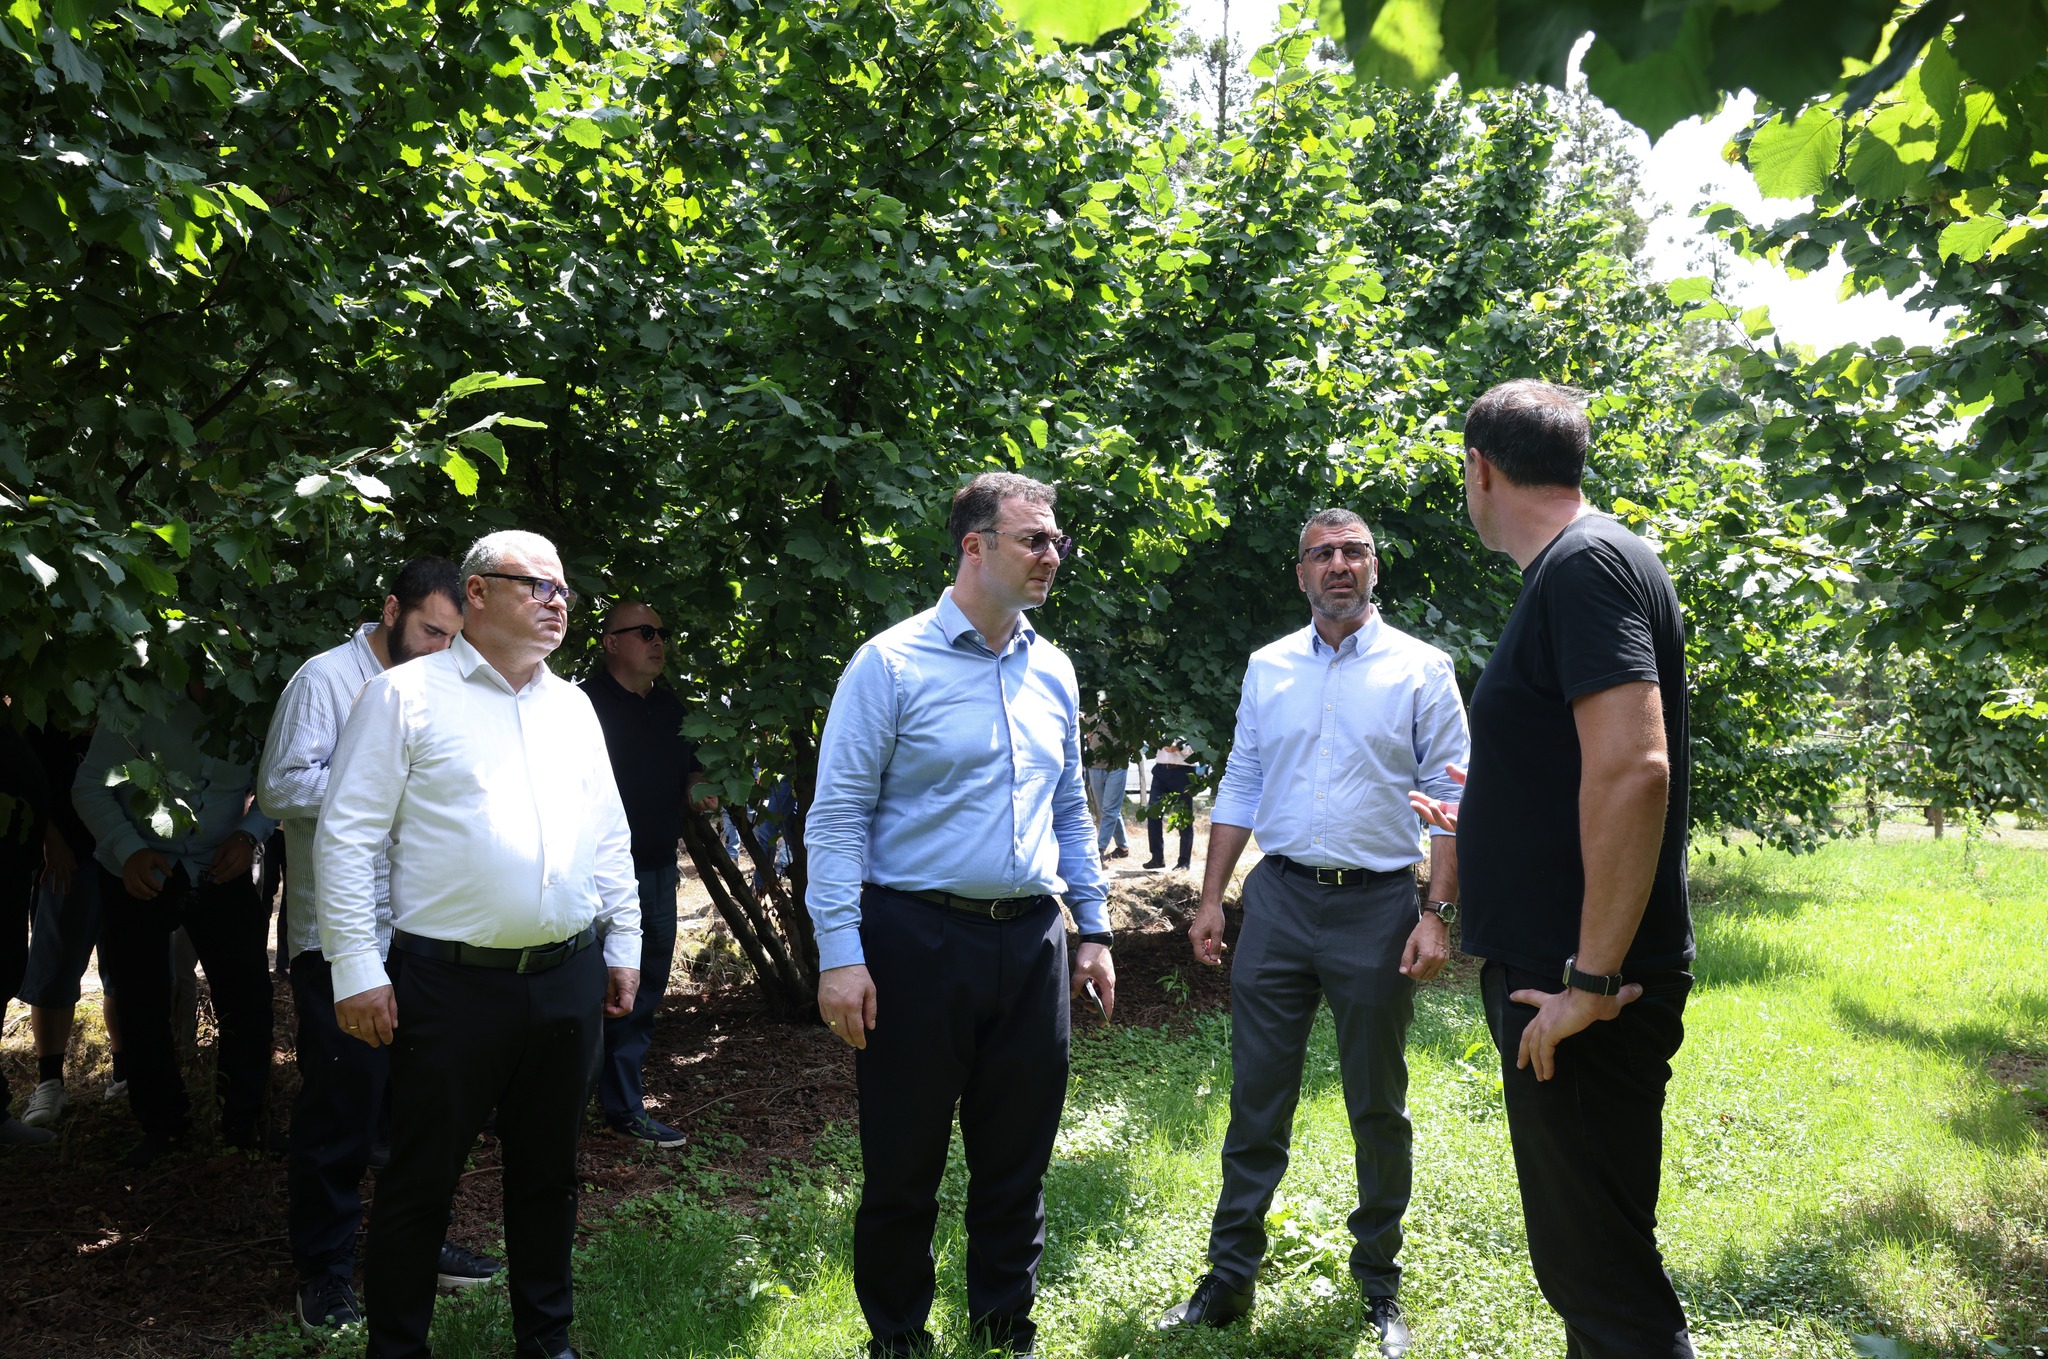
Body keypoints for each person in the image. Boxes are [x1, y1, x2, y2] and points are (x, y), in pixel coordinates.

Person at [1414, 380, 1696, 1359]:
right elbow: (1587, 760)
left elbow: (1635, 767)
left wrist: (1589, 979)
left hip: (1575, 990)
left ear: (1479, 470)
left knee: (1603, 1285)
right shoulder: (1593, 561)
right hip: (1569, 977)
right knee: (1597, 1262)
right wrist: (1494, 803)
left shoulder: (1582, 567)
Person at [807, 471, 1115, 1359]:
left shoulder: (1053, 668)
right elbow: (837, 817)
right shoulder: (890, 663)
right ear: (974, 546)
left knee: (1017, 1160)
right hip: (916, 940)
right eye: (1034, 539)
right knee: (902, 1162)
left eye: (1057, 540)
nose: (1053, 555)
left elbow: (1070, 809)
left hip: (1032, 941)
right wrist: (840, 953)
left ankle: (1003, 1332)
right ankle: (898, 1337)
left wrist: (1092, 928)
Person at [315, 529, 641, 1359]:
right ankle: (397, 1348)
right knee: (421, 1178)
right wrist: (356, 968)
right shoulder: (404, 696)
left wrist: (623, 943)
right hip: (448, 985)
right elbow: (347, 837)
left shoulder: (572, 707)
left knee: (549, 1174)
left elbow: (608, 832)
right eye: (538, 586)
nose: (557, 602)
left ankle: (547, 1340)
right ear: (478, 592)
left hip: (567, 974)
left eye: (564, 589)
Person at [1157, 510, 1468, 1357]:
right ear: (1300, 573)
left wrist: (1436, 912)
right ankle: (1229, 1277)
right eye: (1322, 553)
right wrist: (1212, 897)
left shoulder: (1422, 668)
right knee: (1257, 1099)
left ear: (1374, 567)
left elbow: (1451, 794)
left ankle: (1379, 1282)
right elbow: (1243, 777)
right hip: (1280, 904)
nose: (1338, 564)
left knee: (1378, 1104)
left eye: (1353, 551)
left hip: (1378, 908)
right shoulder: (1269, 667)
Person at [257, 557, 501, 1335]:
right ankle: (324, 1274)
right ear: (392, 610)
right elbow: (280, 785)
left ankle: (416, 1245)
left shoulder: (441, 688)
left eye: (453, 636)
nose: (441, 648)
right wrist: (380, 786)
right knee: (343, 1108)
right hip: (338, 937)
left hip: (424, 933)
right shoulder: (325, 680)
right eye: (430, 630)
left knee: (421, 1107)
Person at [73, 678, 277, 1167]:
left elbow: (276, 787)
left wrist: (249, 834)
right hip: (140, 867)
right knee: (140, 998)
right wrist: (130, 849)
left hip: (219, 865)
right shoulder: (138, 699)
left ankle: (243, 1123)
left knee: (248, 995)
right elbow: (89, 785)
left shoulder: (259, 708)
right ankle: (162, 1126)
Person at [581, 599, 713, 1149]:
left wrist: (702, 787)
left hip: (656, 873)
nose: (658, 641)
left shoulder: (671, 707)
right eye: (644, 632)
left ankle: (624, 1107)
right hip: (588, 879)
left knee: (641, 992)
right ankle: (554, 1106)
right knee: (579, 993)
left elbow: (694, 772)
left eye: (662, 632)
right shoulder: (580, 705)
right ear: (611, 642)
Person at [16, 721, 122, 1129]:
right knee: (55, 965)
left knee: (129, 966)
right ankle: (49, 1083)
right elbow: (25, 779)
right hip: (67, 857)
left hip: (128, 850)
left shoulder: (136, 701)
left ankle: (124, 1073)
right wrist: (49, 838)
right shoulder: (46, 710)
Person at [1141, 740, 1195, 871]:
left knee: (1184, 816)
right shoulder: (1160, 726)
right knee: (1153, 813)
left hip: (1183, 771)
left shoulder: (1192, 727)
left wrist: (1180, 747)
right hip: (1161, 770)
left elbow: (1196, 749)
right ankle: (1157, 858)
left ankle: (1184, 862)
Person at [1083, 714, 1129, 861]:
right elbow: (1085, 728)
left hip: (1116, 766)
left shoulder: (1122, 712)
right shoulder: (1091, 712)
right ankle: (1122, 847)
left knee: (1109, 810)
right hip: (1094, 766)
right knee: (1108, 810)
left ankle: (1099, 848)